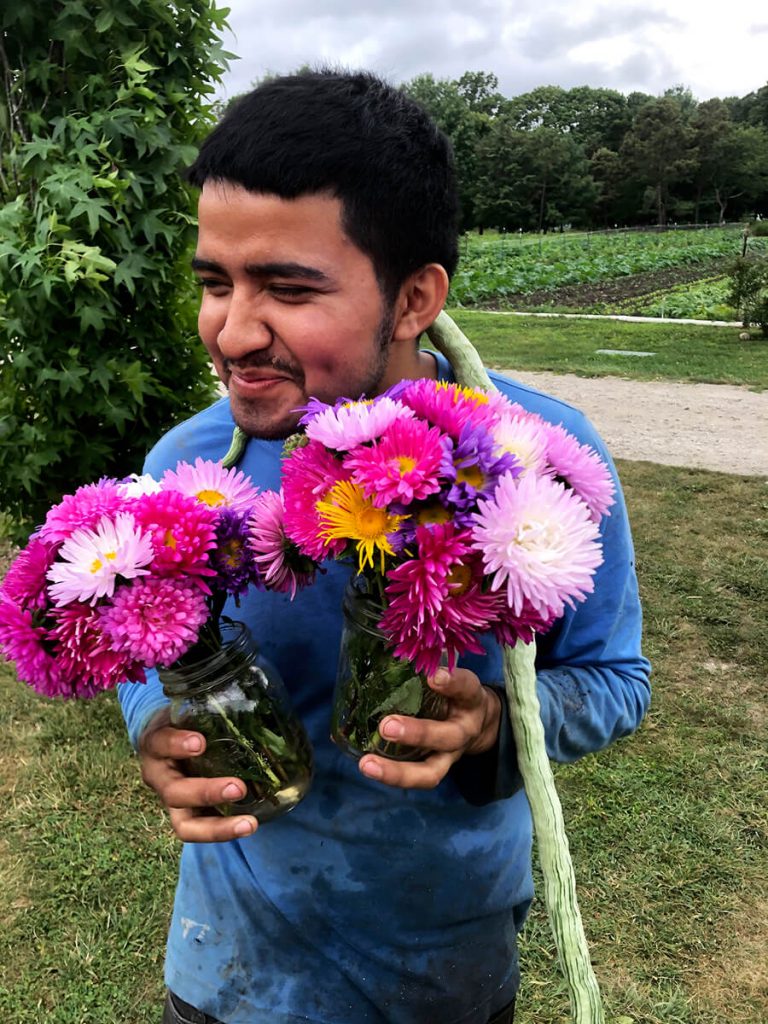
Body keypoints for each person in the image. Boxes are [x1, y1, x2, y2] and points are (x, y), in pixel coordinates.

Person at [118, 69, 651, 1024]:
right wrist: (156, 722)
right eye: (214, 282)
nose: (232, 331)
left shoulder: (534, 463)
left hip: (446, 966)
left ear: (413, 299)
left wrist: (492, 722)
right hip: (231, 971)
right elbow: (137, 651)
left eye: (287, 288)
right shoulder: (187, 468)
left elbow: (616, 680)